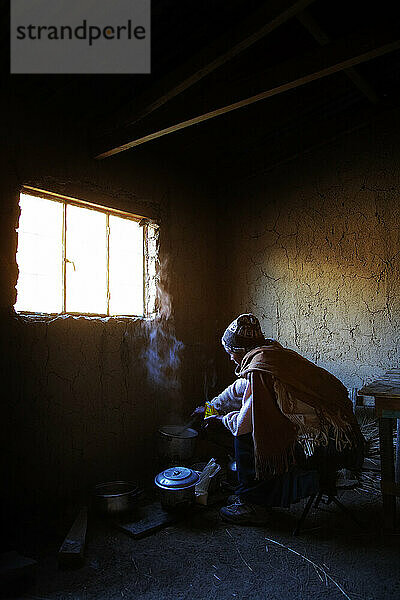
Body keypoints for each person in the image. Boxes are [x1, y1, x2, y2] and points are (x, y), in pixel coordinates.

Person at [196, 313, 365, 524]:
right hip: (341, 429)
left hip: (325, 440)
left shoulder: (260, 369)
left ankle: (254, 504)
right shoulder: (270, 353)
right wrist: (211, 406)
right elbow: (240, 388)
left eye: (230, 352)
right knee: (261, 427)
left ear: (241, 351)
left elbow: (243, 425)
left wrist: (219, 420)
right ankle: (250, 494)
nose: (230, 357)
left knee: (248, 439)